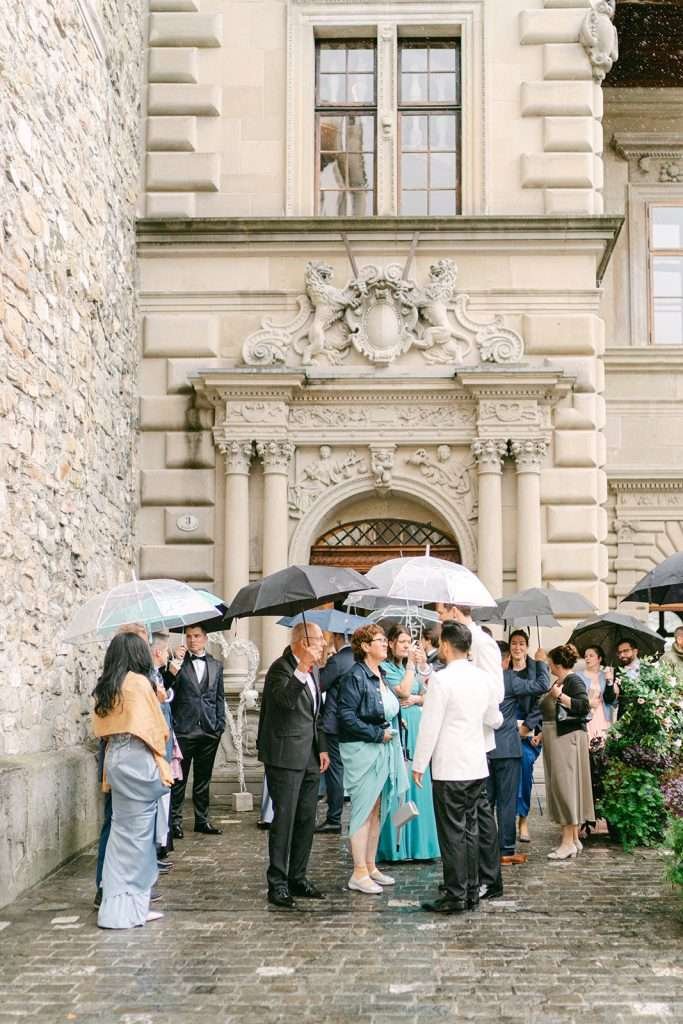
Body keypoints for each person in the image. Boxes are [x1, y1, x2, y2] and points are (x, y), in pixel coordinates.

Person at [413, 622, 504, 914]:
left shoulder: (441, 680)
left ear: (448, 646)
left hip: (450, 765)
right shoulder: (483, 678)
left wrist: (418, 763)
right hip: (476, 763)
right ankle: (470, 891)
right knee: (471, 829)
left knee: (452, 831)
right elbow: (494, 718)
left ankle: (455, 893)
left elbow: (430, 725)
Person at [92, 632, 172, 929]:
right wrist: (159, 699)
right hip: (137, 761)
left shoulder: (107, 684)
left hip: (115, 760)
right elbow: (155, 730)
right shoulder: (139, 684)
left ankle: (115, 906)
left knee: (120, 835)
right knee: (139, 839)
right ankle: (131, 909)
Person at [434, 603, 505, 901]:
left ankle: (488, 878)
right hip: (464, 740)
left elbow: (496, 694)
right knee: (472, 818)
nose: (439, 619)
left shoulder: (484, 644)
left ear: (453, 610)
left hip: (475, 740)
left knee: (480, 818)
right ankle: (466, 880)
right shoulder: (462, 647)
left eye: (441, 613)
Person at [257, 622, 330, 909]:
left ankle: (298, 877)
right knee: (284, 820)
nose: (323, 645)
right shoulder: (280, 668)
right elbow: (285, 700)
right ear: (303, 641)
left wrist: (322, 748)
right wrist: (302, 669)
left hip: (310, 755)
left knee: (305, 820)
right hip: (284, 756)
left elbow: (316, 714)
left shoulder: (316, 671)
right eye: (319, 640)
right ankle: (277, 883)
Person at [337, 624, 408, 895]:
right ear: (365, 646)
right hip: (364, 750)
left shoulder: (381, 674)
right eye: (379, 640)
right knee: (363, 810)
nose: (383, 644)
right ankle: (358, 872)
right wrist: (377, 734)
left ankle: (370, 865)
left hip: (383, 749)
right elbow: (347, 716)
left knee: (377, 809)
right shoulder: (355, 677)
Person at [376, 625, 440, 862]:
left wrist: (417, 697)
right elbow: (402, 690)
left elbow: (427, 694)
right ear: (391, 644)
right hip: (399, 731)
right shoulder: (386, 669)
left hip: (417, 729)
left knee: (418, 785)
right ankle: (398, 846)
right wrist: (412, 669)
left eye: (408, 641)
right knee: (400, 788)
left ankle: (420, 846)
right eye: (401, 641)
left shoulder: (406, 667)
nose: (405, 645)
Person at [488, 630, 549, 865]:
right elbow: (543, 684)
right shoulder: (509, 678)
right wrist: (542, 662)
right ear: (504, 659)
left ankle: (485, 847)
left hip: (484, 747)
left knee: (486, 801)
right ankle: (505, 850)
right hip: (507, 745)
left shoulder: (481, 679)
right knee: (506, 801)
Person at [165, 624, 225, 838]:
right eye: (189, 636)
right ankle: (175, 821)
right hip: (184, 730)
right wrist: (174, 667)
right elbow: (166, 690)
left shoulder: (216, 665)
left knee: (203, 779)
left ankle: (202, 820)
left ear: (205, 638)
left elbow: (219, 698)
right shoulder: (177, 662)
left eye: (197, 636)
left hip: (209, 731)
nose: (192, 640)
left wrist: (220, 726)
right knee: (179, 779)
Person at [540, 645, 594, 860]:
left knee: (566, 788)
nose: (548, 664)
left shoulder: (573, 681)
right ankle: (573, 839)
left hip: (566, 740)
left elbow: (583, 706)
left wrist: (560, 696)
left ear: (557, 663)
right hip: (557, 738)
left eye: (550, 661)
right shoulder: (561, 681)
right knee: (564, 787)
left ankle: (568, 842)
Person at [504, 630, 549, 845]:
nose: (517, 648)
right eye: (514, 643)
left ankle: (522, 819)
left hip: (529, 732)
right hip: (506, 730)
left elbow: (541, 701)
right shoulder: (505, 669)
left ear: (527, 646)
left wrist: (529, 727)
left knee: (524, 765)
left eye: (522, 643)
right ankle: (506, 820)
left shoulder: (536, 670)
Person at [316, 631, 355, 835]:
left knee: (335, 771)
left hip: (334, 723)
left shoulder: (338, 661)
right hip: (354, 724)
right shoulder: (359, 658)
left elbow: (319, 684)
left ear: (339, 638)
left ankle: (334, 818)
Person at [579, 644, 617, 740]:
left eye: (591, 656)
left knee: (602, 745)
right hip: (586, 715)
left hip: (602, 716)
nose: (587, 658)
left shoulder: (606, 675)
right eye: (585, 656)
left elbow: (611, 700)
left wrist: (609, 682)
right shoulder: (578, 676)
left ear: (599, 659)